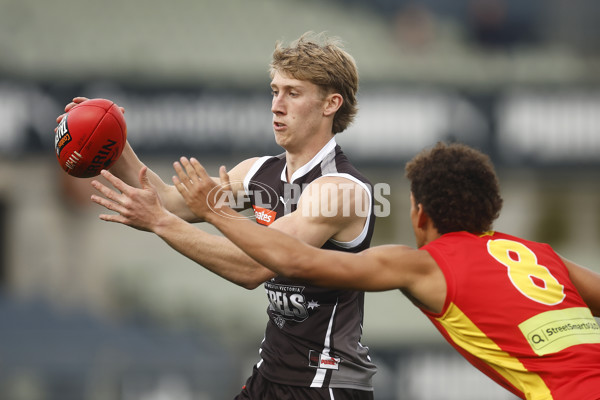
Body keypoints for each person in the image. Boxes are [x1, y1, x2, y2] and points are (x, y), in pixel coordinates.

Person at [64, 32, 378, 399]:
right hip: (271, 374)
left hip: (324, 385)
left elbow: (253, 267)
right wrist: (111, 141)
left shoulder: (340, 189)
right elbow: (166, 199)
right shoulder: (258, 171)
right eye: (275, 91)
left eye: (293, 93)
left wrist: (167, 222)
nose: (277, 105)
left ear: (331, 104)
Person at [169, 142, 600, 400]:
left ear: (418, 212)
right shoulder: (541, 256)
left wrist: (216, 210)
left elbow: (295, 261)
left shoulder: (422, 264)